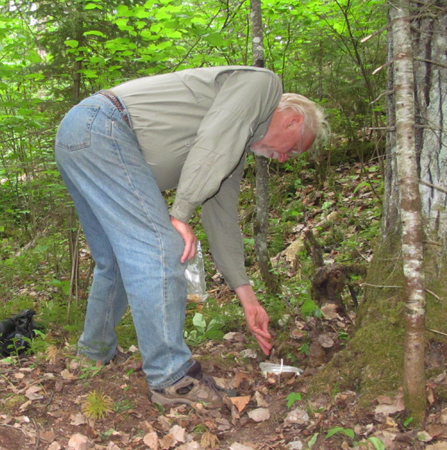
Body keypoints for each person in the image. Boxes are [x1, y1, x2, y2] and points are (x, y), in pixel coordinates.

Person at [55, 66, 328, 408]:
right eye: (295, 148)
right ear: (290, 120)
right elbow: (215, 139)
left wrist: (248, 298)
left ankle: (93, 354)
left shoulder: (235, 145)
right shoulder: (263, 84)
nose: (285, 158)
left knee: (115, 260)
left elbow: (222, 218)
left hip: (79, 133)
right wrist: (179, 214)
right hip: (106, 127)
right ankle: (171, 378)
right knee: (162, 248)